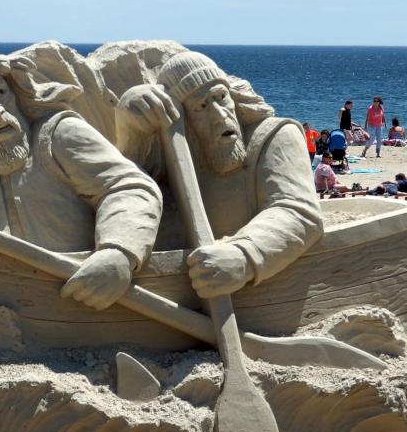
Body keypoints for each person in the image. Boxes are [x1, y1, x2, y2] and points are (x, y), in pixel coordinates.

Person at [0, 43, 163, 311]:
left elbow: (129, 187)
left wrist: (118, 252)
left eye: (0, 93)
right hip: (2, 305)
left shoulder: (59, 136)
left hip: (83, 293)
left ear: (15, 91)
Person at [115, 51, 323, 296]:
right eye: (201, 107)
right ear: (184, 121)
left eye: (221, 97)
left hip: (271, 288)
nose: (220, 116)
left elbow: (298, 211)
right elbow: (130, 190)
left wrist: (244, 255)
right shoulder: (182, 153)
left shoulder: (276, 136)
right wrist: (130, 126)